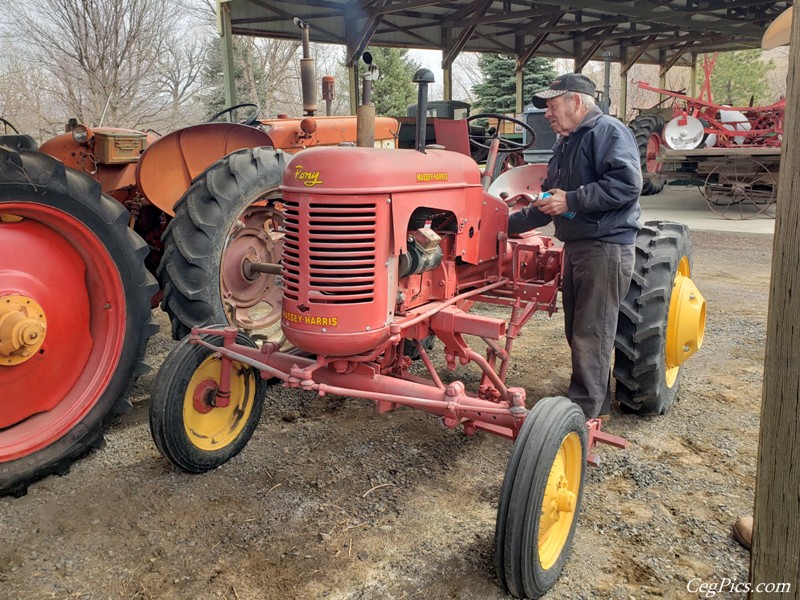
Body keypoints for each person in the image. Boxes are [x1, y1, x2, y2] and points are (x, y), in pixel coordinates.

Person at [508, 73, 643, 420]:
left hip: (606, 245)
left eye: (553, 106)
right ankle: (595, 400)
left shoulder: (608, 132)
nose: (548, 115)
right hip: (580, 245)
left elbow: (627, 184)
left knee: (591, 330)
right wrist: (502, 224)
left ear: (576, 102)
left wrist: (572, 199)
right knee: (579, 328)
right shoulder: (565, 144)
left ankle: (583, 416)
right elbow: (548, 202)